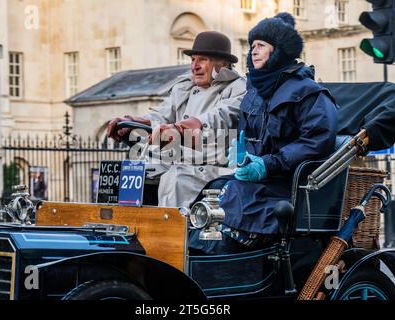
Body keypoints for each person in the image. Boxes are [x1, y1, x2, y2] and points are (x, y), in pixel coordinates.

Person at [189, 13, 338, 255]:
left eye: (261, 46)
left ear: (278, 51)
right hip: (258, 182)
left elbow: (316, 141)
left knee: (231, 198)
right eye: (252, 46)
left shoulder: (310, 93)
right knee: (214, 189)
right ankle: (197, 254)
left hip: (287, 185)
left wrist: (267, 164)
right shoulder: (255, 93)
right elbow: (247, 136)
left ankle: (216, 260)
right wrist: (240, 154)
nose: (253, 51)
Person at [106, 31, 246, 207]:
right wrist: (135, 122)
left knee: (177, 178)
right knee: (130, 174)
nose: (194, 66)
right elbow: (161, 113)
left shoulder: (238, 88)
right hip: (176, 161)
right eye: (192, 60)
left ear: (224, 63)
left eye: (202, 60)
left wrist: (181, 128)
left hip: (213, 168)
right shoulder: (185, 87)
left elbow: (220, 116)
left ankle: (174, 232)